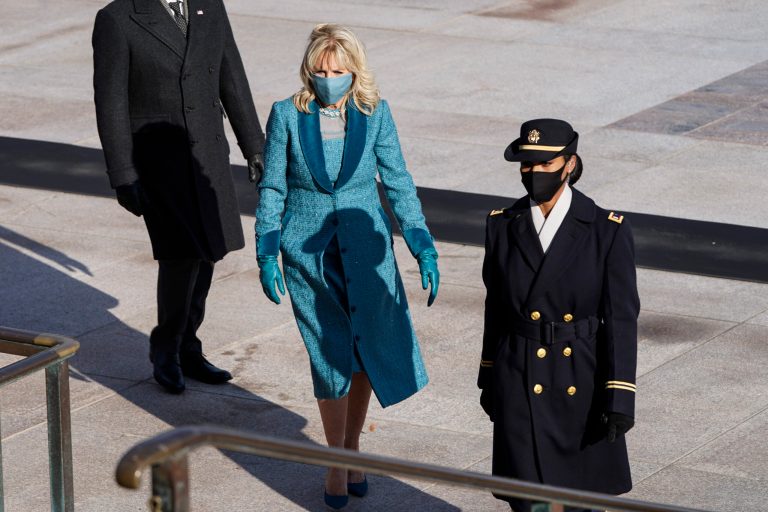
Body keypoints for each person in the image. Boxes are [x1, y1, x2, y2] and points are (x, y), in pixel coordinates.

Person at [255, 24, 439, 509]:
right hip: (308, 256)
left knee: (364, 351)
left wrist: (421, 243)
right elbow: (272, 186)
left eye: (338, 70)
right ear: (308, 70)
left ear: (355, 71)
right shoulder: (286, 114)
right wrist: (266, 250)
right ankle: (337, 458)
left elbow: (398, 180)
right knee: (329, 353)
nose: (329, 78)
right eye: (320, 70)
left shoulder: (375, 113)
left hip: (364, 249)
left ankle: (350, 445)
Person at [92, 0, 266, 394]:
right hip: (158, 161)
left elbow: (231, 73)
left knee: (208, 250)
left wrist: (254, 145)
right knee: (179, 253)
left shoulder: (208, 6)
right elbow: (111, 101)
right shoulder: (117, 19)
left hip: (207, 152)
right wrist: (122, 173)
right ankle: (166, 346)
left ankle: (188, 344)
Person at [478, 119, 640, 512]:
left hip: (580, 380)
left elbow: (621, 319)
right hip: (519, 375)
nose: (534, 173)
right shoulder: (501, 225)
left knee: (577, 499)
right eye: (527, 165)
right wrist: (490, 376)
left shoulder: (606, 230)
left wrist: (620, 393)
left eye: (545, 164)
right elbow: (495, 308)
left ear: (570, 164)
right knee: (528, 500)